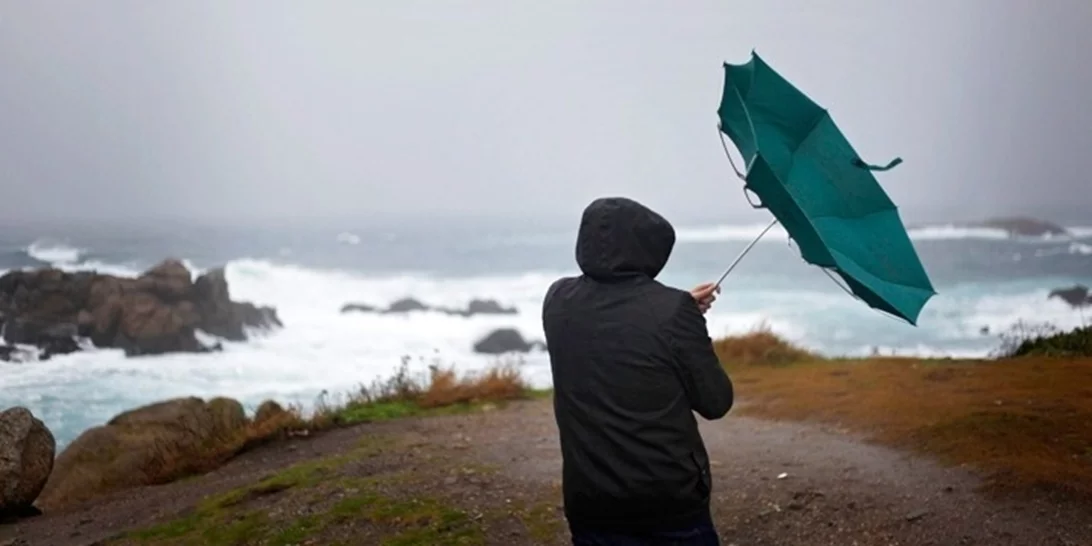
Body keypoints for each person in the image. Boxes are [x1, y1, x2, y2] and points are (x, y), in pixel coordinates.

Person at [542, 196, 735, 546]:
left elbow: (614, 325)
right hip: (666, 501)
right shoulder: (672, 312)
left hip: (589, 499)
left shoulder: (557, 300)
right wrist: (686, 320)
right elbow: (716, 401)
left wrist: (681, 313)